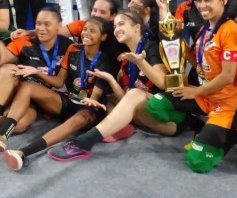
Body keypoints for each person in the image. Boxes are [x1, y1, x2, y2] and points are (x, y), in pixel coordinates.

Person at [47, 10, 177, 161]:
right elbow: (125, 100)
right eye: (115, 26)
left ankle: (84, 142)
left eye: (121, 24)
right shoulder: (126, 60)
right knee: (110, 99)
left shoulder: (150, 47)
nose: (116, 29)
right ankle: (120, 128)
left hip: (168, 118)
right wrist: (112, 80)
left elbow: (162, 82)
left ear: (137, 27)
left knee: (134, 94)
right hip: (145, 116)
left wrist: (140, 62)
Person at [147, 0, 237, 173]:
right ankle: (201, 127)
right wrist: (175, 40)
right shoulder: (205, 29)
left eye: (208, 0)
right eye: (199, 1)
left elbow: (227, 76)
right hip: (205, 97)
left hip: (226, 103)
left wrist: (196, 91)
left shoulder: (230, 29)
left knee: (197, 162)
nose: (202, 5)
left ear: (223, 1)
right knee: (157, 104)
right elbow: (196, 60)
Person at [1, 16, 115, 171]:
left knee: (81, 117)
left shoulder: (105, 61)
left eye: (92, 31)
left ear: (103, 36)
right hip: (68, 101)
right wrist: (37, 72)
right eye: (85, 29)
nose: (86, 33)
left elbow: (95, 96)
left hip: (89, 108)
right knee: (28, 86)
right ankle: (3, 135)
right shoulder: (73, 49)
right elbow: (59, 82)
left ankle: (23, 152)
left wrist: (91, 101)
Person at [0, 6, 72, 133]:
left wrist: (36, 72)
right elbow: (3, 58)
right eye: (38, 24)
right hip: (22, 97)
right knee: (8, 70)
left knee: (18, 125)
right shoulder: (25, 41)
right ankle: (5, 117)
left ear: (58, 26)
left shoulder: (69, 47)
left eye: (47, 24)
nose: (41, 28)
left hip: (48, 98)